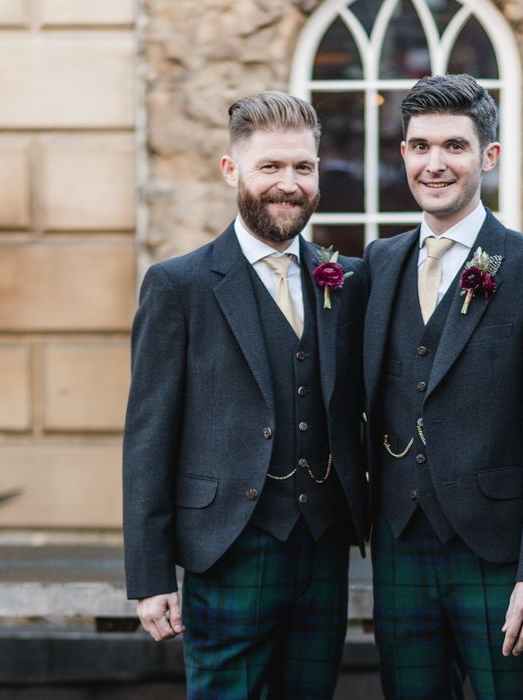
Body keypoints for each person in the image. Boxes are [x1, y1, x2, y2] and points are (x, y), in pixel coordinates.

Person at [122, 91, 368, 699]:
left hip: (323, 550)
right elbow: (148, 437)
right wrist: (151, 576)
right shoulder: (178, 286)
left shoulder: (349, 280)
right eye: (271, 167)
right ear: (232, 171)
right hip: (225, 549)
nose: (288, 184)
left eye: (303, 168)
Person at [363, 74, 523, 699]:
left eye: (454, 147)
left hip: (501, 559)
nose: (435, 164)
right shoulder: (379, 263)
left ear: (488, 156)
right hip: (400, 546)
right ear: (403, 153)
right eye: (420, 146)